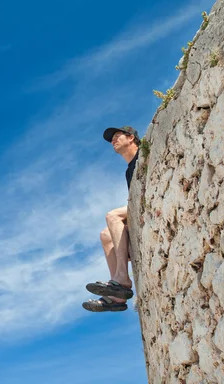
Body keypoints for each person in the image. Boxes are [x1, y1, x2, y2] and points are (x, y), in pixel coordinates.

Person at [82, 126, 140, 312]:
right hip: (139, 209)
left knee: (113, 215)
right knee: (106, 235)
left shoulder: (145, 155)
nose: (113, 141)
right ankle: (117, 295)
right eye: (112, 139)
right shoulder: (128, 171)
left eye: (117, 136)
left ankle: (121, 279)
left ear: (131, 138)